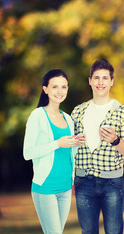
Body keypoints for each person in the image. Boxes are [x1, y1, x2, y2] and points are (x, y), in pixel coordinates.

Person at [71, 59, 124, 234]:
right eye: (97, 78)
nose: (100, 82)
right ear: (90, 80)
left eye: (105, 78)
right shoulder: (78, 112)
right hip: (83, 181)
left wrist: (116, 140)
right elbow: (71, 149)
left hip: (112, 184)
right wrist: (71, 176)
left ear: (111, 81)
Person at [23, 69, 84, 234]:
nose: (60, 91)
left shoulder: (68, 119)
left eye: (64, 87)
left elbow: (68, 154)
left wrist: (77, 143)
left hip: (65, 187)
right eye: (55, 87)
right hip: (45, 187)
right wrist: (57, 143)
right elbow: (27, 153)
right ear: (45, 89)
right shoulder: (38, 116)